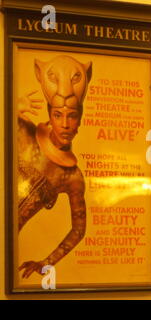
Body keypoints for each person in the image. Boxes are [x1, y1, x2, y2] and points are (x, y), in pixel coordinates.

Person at [17, 55, 92, 279]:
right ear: (50, 115)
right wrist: (10, 105)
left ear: (79, 122)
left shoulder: (72, 177)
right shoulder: (25, 133)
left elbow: (78, 229)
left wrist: (47, 262)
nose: (65, 124)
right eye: (58, 115)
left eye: (72, 116)